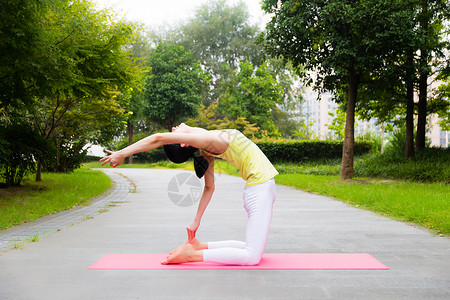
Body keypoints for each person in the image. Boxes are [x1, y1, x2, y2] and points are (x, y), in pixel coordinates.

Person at [100, 123, 278, 265]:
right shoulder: (208, 140)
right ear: (184, 142)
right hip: (259, 188)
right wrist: (122, 153)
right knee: (252, 257)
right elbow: (158, 138)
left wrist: (196, 221)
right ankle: (192, 255)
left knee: (250, 248)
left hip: (260, 188)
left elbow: (210, 187)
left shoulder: (206, 142)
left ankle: (199, 247)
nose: (175, 129)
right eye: (175, 133)